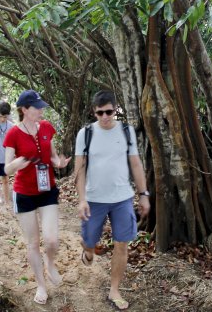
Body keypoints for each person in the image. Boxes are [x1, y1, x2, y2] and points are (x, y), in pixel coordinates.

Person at [74, 90, 150, 311]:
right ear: (94, 112)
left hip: (122, 198)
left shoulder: (126, 131)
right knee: (89, 241)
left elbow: (135, 164)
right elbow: (80, 169)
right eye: (100, 113)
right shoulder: (85, 133)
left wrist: (143, 194)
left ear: (115, 109)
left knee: (122, 245)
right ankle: (88, 251)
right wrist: (81, 200)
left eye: (109, 111)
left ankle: (114, 289)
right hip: (94, 199)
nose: (105, 117)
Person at [4, 89, 71, 305]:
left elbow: (51, 155)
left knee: (51, 239)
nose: (41, 109)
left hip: (47, 190)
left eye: (41, 106)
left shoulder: (46, 127)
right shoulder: (13, 133)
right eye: (36, 106)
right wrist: (19, 161)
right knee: (32, 243)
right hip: (24, 193)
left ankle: (50, 263)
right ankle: (41, 285)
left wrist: (58, 162)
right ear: (24, 110)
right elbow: (6, 169)